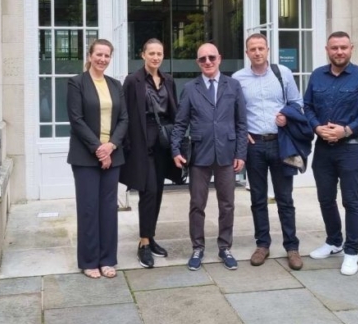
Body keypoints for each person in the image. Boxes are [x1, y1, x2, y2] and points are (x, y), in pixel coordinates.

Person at [304, 31, 358, 276]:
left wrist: (346, 130)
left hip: (351, 148)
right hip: (323, 149)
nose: (339, 52)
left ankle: (351, 251)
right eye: (334, 48)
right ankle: (334, 241)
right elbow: (307, 106)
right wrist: (317, 127)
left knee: (351, 201)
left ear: (351, 49)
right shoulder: (317, 76)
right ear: (327, 50)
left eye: (343, 47)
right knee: (326, 199)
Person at [171, 42, 248, 271]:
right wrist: (175, 150)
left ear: (219, 58)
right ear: (198, 62)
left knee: (227, 204)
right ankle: (197, 247)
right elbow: (180, 123)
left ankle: (225, 247)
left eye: (211, 57)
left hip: (227, 153)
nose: (208, 62)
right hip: (199, 155)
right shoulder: (190, 88)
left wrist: (241, 153)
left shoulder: (233, 85)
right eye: (203, 59)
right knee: (197, 204)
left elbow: (241, 123)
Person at [232, 34, 305, 270]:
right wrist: (241, 132)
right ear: (247, 53)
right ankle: (262, 244)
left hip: (280, 142)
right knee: (258, 198)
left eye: (260, 48)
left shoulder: (283, 73)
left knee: (285, 198)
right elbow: (232, 111)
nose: (257, 52)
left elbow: (297, 103)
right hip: (254, 145)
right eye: (252, 49)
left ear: (268, 50)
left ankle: (291, 247)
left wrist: (287, 116)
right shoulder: (238, 79)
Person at [66, 39, 129, 279]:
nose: (103, 59)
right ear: (90, 56)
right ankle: (89, 260)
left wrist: (111, 146)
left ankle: (108, 259)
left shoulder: (115, 84)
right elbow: (76, 119)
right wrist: (99, 149)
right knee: (89, 209)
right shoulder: (77, 83)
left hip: (113, 155)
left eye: (107, 55)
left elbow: (124, 119)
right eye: (99, 54)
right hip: (85, 156)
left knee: (109, 209)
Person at [121, 38, 180, 269]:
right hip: (141, 141)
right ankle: (144, 243)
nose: (156, 57)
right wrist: (126, 145)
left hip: (163, 141)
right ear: (143, 54)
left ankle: (150, 236)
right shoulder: (132, 80)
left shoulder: (168, 80)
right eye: (151, 53)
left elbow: (174, 112)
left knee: (158, 192)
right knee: (149, 191)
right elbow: (124, 113)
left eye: (159, 53)